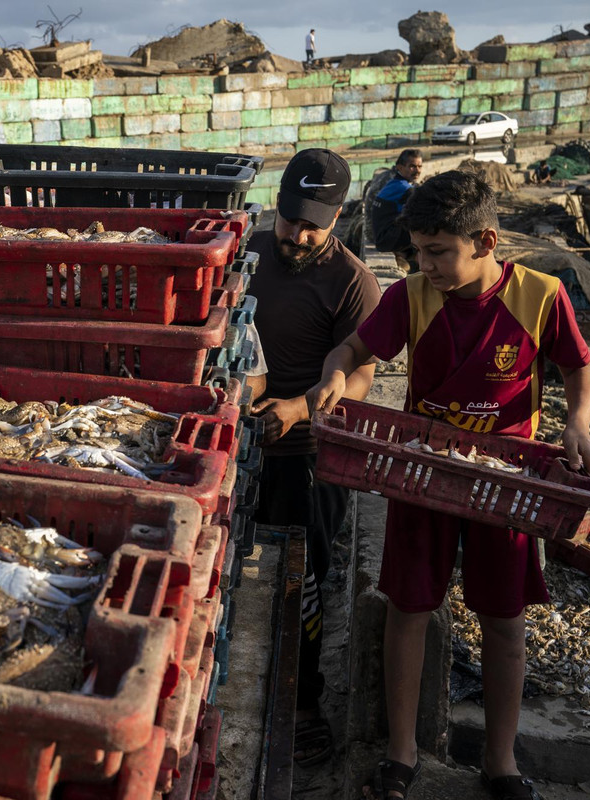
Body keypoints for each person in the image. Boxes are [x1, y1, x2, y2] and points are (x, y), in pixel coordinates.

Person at [305, 170, 590, 800]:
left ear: (486, 241)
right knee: (409, 607)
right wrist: (333, 376)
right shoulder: (410, 296)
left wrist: (577, 424)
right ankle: (401, 752)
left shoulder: (541, 295)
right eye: (418, 251)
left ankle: (501, 762)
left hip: (507, 483)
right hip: (425, 472)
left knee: (504, 619)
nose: (426, 265)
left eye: (439, 252)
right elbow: (351, 351)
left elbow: (580, 369)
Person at [245, 148, 381, 768]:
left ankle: (303, 704)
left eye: (312, 227)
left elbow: (361, 378)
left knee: (301, 581)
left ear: (337, 218)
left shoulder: (354, 283)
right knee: (236, 567)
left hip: (306, 458)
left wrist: (301, 408)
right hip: (240, 443)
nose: (297, 236)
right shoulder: (247, 253)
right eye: (290, 220)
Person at [370, 149, 424, 271]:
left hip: (382, 237)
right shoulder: (405, 189)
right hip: (387, 241)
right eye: (412, 166)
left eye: (420, 166)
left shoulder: (395, 183)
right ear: (400, 167)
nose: (417, 170)